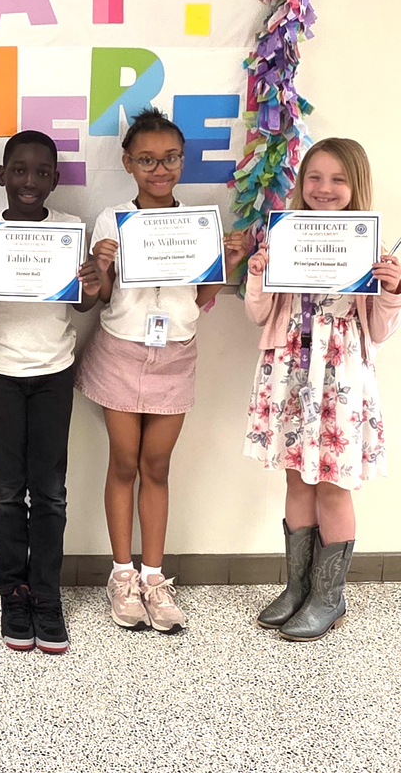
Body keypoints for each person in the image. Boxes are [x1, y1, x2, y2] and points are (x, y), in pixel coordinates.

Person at [76, 107, 245, 634]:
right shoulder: (112, 220)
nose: (159, 169)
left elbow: (203, 296)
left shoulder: (200, 223)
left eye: (170, 158)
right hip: (122, 350)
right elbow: (104, 294)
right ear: (128, 163)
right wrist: (102, 265)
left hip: (175, 353)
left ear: (182, 161)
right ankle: (121, 574)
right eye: (147, 159)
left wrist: (227, 262)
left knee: (157, 464)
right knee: (123, 462)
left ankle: (154, 577)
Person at [244, 137, 401, 640]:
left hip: (340, 378)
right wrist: (257, 275)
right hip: (290, 371)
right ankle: (299, 587)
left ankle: (329, 597)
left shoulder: (371, 248)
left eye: (337, 179)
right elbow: (259, 314)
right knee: (297, 481)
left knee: (333, 486)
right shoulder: (283, 237)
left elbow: (379, 331)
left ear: (356, 184)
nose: (324, 188)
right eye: (314, 177)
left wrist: (392, 290)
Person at [0, 130, 101, 654]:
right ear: (2, 175)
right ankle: (12, 595)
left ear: (55, 180)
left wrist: (91, 282)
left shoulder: (68, 231)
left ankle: (46, 594)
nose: (30, 180)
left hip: (53, 371)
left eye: (42, 172)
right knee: (4, 491)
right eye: (19, 170)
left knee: (50, 492)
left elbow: (83, 305)